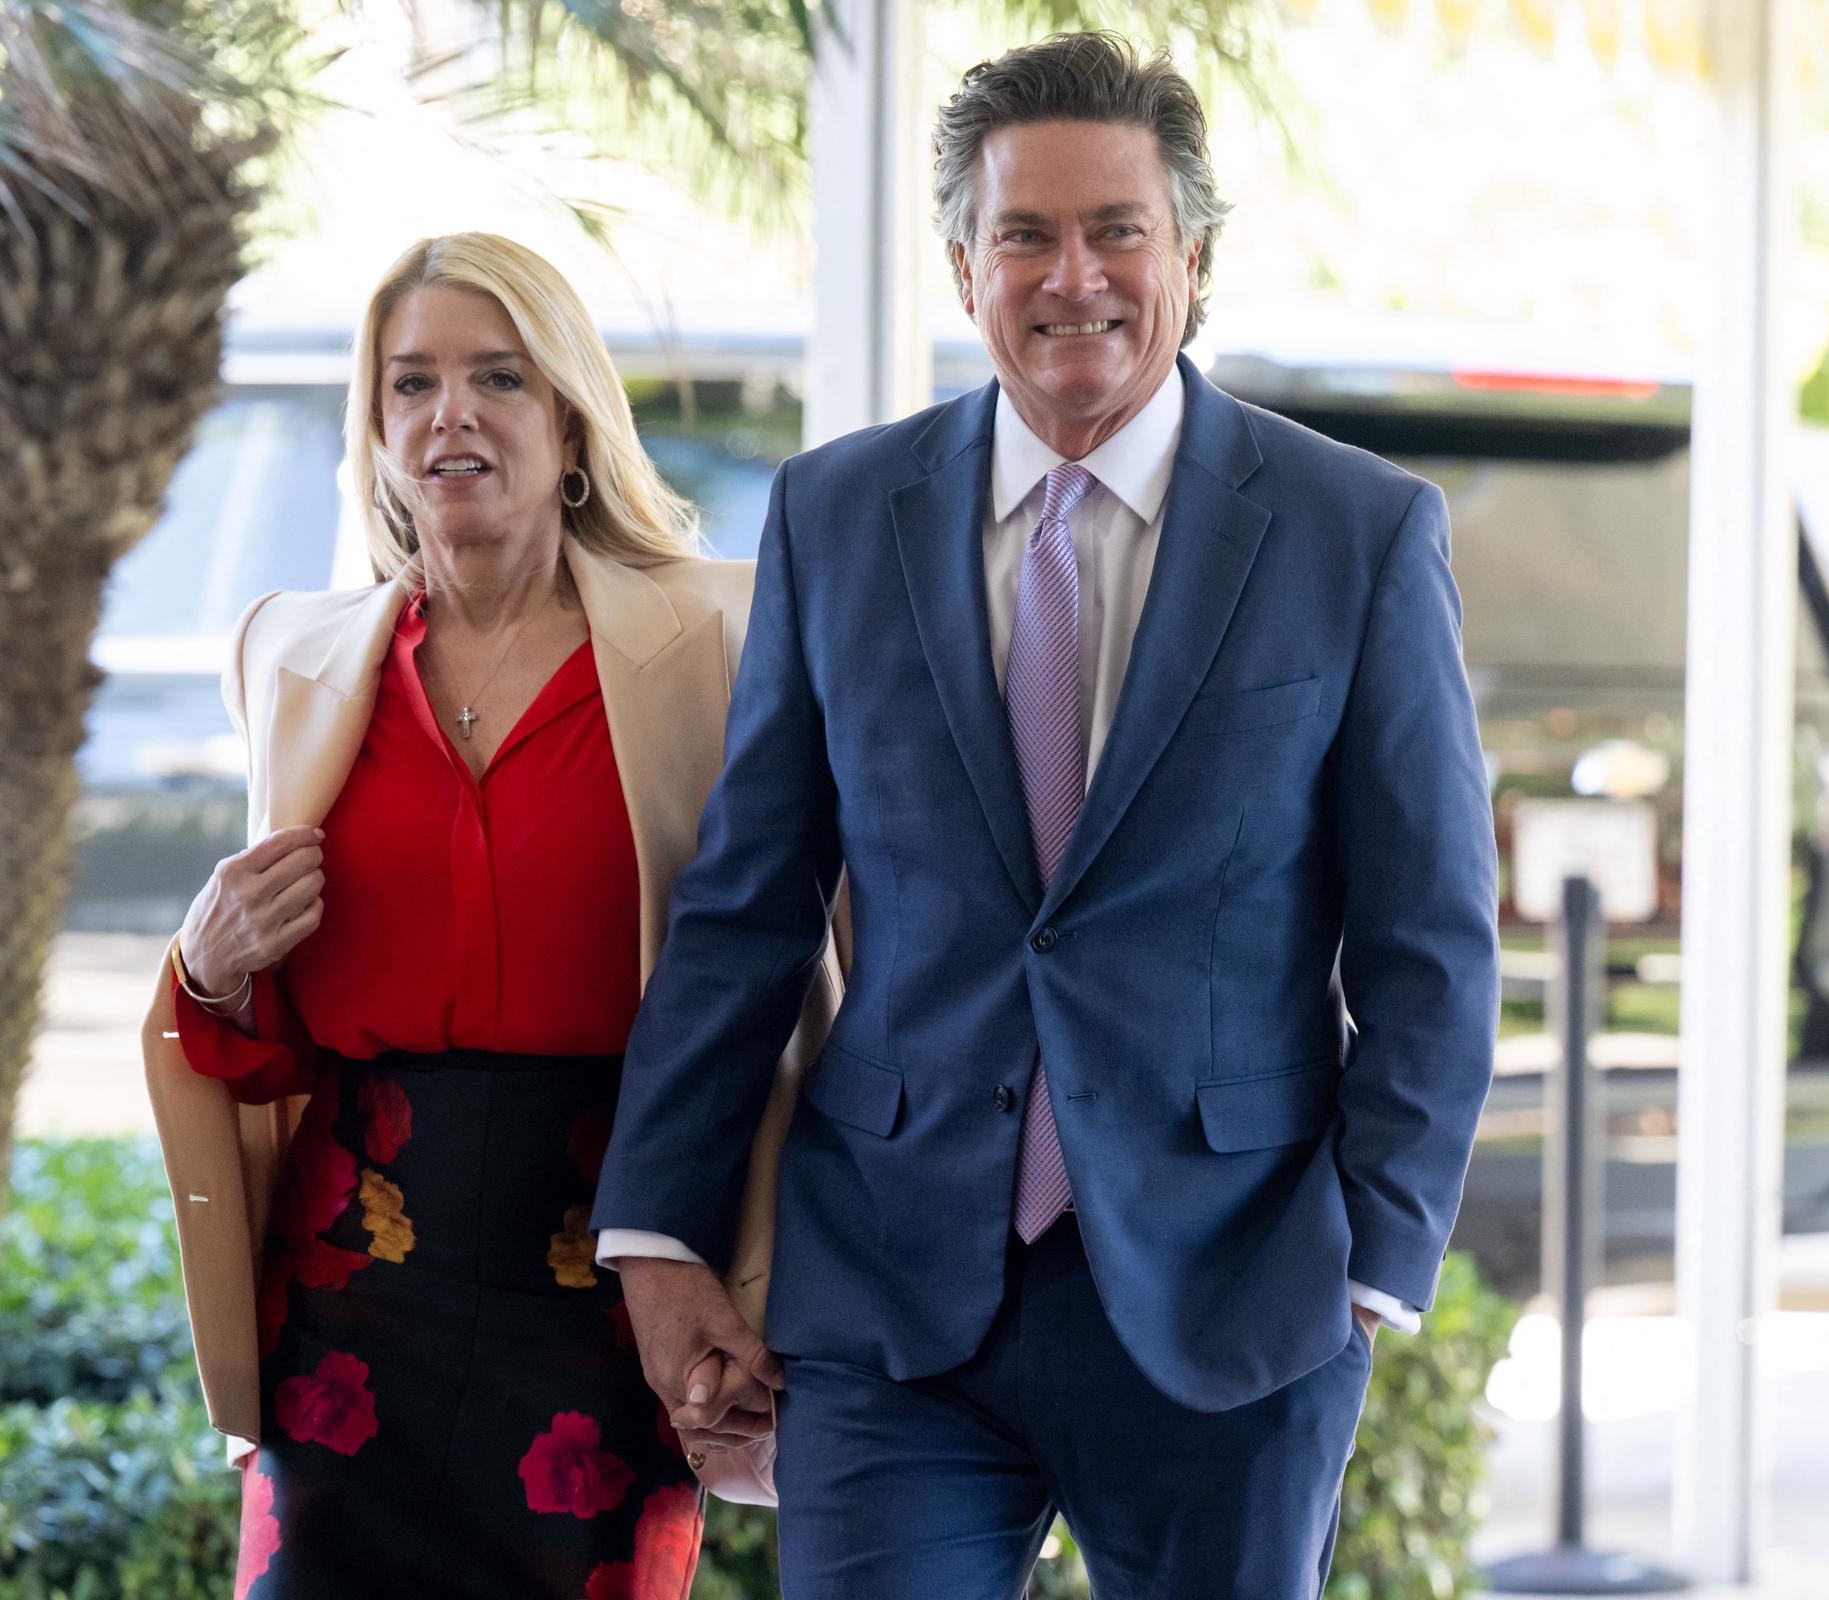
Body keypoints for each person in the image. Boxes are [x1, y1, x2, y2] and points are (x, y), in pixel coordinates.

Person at [591, 31, 1500, 1599]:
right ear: (963, 268)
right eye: (1024, 232)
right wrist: (659, 1235)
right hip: (894, 1291)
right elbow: (749, 905)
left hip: (1238, 1294)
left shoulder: (1356, 535)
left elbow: (1431, 941)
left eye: (1116, 230)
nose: (1072, 274)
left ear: (1191, 259)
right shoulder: (834, 516)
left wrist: (1369, 1264)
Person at [139, 231, 834, 1599]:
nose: (449, 413)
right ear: (379, 432)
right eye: (411, 383)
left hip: (614, 1279)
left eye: (496, 377)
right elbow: (268, 1034)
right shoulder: (292, 655)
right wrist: (209, 972)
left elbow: (808, 974)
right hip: (347, 1302)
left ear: (569, 420)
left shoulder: (725, 639)